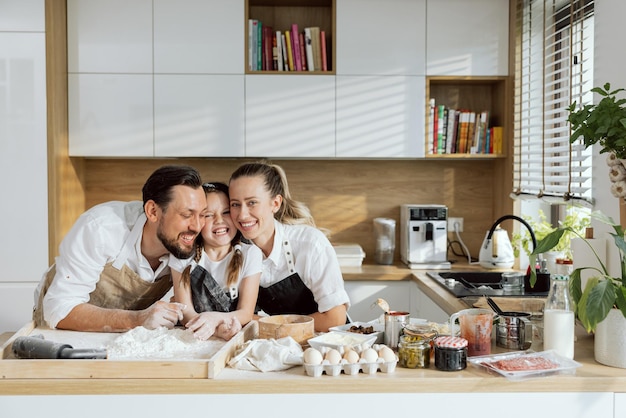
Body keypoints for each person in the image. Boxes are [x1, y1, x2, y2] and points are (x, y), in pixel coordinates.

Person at [33, 165, 208, 332]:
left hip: (122, 336)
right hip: (61, 333)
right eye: (187, 215)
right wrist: (136, 319)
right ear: (153, 211)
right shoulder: (101, 228)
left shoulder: (184, 241)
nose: (197, 226)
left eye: (203, 215)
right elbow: (59, 309)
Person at [228, 161, 350, 332]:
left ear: (275, 203)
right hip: (273, 346)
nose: (242, 214)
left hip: (322, 346)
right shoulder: (234, 252)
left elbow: (335, 318)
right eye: (235, 204)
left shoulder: (310, 244)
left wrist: (266, 323)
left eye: (252, 203)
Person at [169, 182, 262, 341]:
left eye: (226, 212)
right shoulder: (182, 256)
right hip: (197, 336)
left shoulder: (251, 253)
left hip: (239, 336)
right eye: (209, 215)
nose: (219, 220)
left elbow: (245, 313)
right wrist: (215, 330)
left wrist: (216, 321)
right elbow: (186, 312)